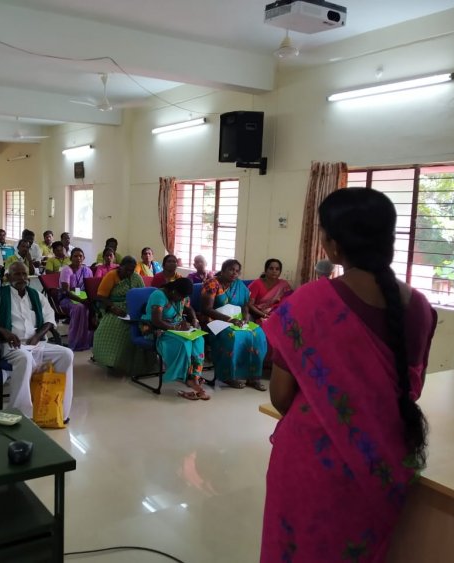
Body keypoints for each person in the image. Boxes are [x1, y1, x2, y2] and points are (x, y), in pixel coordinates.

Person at [261, 188, 437, 562]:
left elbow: (280, 397)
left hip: (311, 464)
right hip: (387, 462)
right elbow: (410, 387)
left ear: (333, 245)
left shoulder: (307, 304)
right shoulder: (420, 307)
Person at [0, 262, 74, 421]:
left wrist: (38, 335)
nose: (22, 278)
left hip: (36, 343)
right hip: (11, 346)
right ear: (8, 277)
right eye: (17, 274)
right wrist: (5, 333)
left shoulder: (36, 294)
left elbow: (50, 319)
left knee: (66, 354)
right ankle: (20, 413)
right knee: (25, 358)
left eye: (24, 274)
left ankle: (57, 407)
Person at [199, 259, 268, 390]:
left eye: (237, 271)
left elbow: (245, 306)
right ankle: (229, 376)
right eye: (231, 270)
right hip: (213, 321)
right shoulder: (213, 283)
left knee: (257, 334)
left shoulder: (239, 285)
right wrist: (229, 320)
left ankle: (253, 377)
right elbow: (206, 309)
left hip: (236, 320)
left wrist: (246, 318)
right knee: (231, 335)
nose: (234, 273)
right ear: (223, 270)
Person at [141, 278, 208, 400]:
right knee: (184, 343)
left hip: (178, 329)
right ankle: (186, 377)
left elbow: (189, 308)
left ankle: (194, 376)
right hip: (157, 329)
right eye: (181, 296)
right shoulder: (159, 295)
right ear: (173, 291)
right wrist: (176, 327)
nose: (182, 299)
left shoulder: (182, 296)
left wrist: (194, 320)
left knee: (199, 339)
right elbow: (156, 320)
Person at [92, 256, 145, 371]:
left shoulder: (136, 277)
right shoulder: (111, 276)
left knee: (142, 325)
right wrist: (114, 308)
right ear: (120, 267)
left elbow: (143, 295)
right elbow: (101, 297)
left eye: (132, 270)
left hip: (133, 309)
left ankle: (135, 362)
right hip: (113, 307)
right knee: (118, 327)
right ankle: (112, 361)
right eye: (127, 269)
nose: (129, 273)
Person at [59, 248, 94, 351]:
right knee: (80, 307)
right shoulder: (66, 270)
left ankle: (88, 340)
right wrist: (81, 300)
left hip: (82, 297)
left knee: (93, 307)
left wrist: (89, 300)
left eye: (80, 256)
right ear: (71, 258)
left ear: (84, 258)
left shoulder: (87, 270)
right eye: (75, 256)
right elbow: (66, 291)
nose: (78, 258)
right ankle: (76, 342)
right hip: (67, 299)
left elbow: (90, 288)